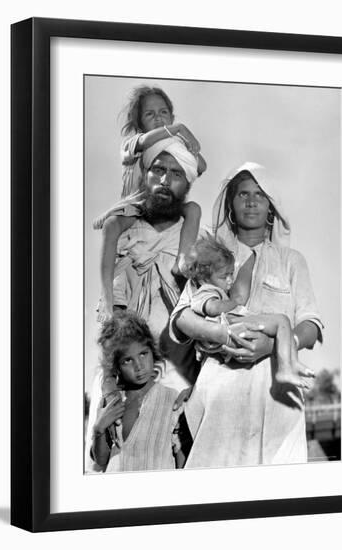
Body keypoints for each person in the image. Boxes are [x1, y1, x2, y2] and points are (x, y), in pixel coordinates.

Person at [170, 161, 323, 468]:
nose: (252, 201)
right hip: (220, 396)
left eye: (260, 194)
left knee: (279, 499)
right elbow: (183, 317)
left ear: (271, 207)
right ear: (230, 204)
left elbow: (311, 323)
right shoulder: (210, 257)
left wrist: (274, 346)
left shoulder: (292, 261)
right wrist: (221, 334)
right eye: (243, 194)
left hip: (277, 397)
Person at [85, 137, 200, 471]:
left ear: (187, 184)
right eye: (158, 170)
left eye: (176, 173)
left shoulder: (192, 231)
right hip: (119, 365)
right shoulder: (123, 229)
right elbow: (109, 309)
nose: (165, 179)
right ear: (145, 176)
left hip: (175, 364)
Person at [93, 85, 207, 276]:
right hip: (135, 206)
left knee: (193, 209)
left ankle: (182, 260)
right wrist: (179, 129)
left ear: (171, 116)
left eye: (163, 112)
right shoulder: (133, 142)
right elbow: (146, 142)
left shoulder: (174, 145)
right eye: (149, 114)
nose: (158, 118)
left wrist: (186, 143)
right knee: (114, 227)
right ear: (139, 124)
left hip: (161, 205)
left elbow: (200, 166)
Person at [182, 233, 314, 388]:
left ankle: (290, 363)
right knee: (282, 321)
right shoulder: (205, 291)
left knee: (282, 326)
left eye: (231, 274)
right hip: (230, 323)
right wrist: (234, 302)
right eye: (225, 276)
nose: (230, 280)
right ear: (204, 277)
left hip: (233, 324)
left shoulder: (214, 288)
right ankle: (286, 367)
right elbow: (212, 308)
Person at [90, 310, 186, 472]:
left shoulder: (172, 399)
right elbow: (101, 459)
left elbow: (180, 456)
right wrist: (99, 429)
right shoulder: (112, 403)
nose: (139, 366)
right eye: (128, 360)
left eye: (143, 354)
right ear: (117, 366)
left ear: (152, 351)